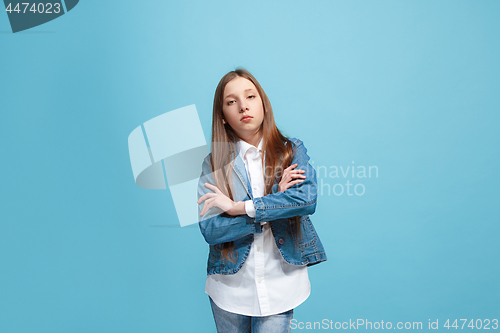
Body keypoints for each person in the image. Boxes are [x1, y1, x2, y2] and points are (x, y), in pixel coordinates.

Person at [197, 68, 327, 333]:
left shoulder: (291, 150)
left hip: (281, 284)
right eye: (231, 102)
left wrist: (237, 208)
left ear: (264, 105)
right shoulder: (213, 163)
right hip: (229, 288)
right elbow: (211, 230)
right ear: (223, 117)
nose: (243, 106)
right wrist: (275, 204)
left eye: (251, 97)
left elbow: (306, 199)